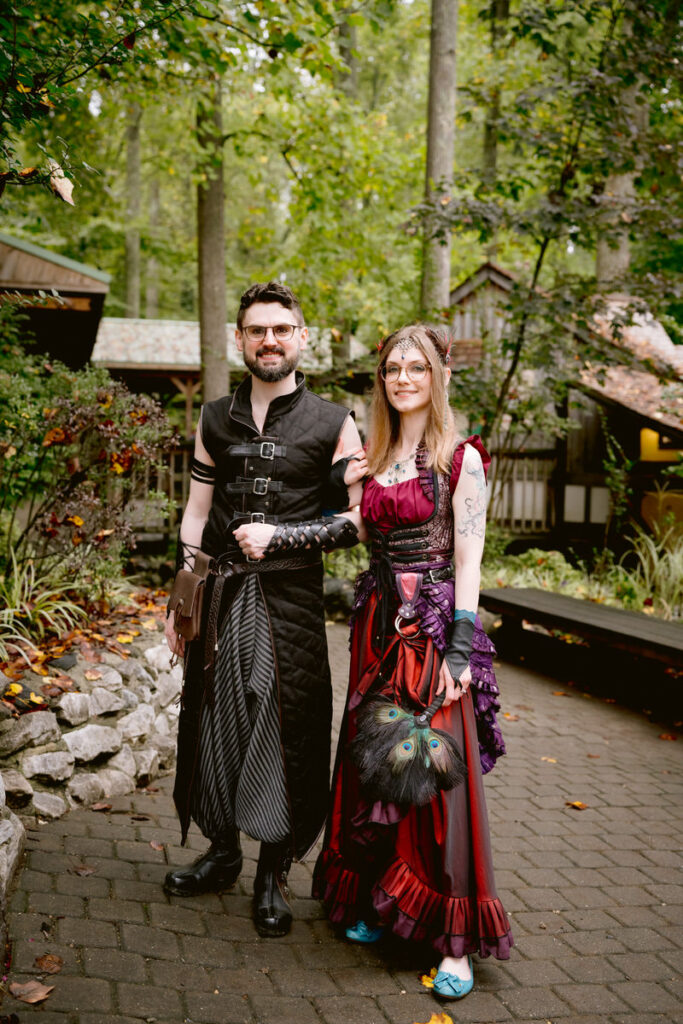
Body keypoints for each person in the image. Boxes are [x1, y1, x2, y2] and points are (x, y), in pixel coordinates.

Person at [312, 323, 513, 999]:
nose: (401, 378)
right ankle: (381, 900)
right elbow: (356, 534)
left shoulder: (461, 459)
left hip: (430, 633)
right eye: (392, 368)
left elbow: (468, 558)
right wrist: (342, 484)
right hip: (374, 628)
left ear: (438, 377)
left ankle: (453, 943)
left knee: (435, 775)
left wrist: (460, 646)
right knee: (375, 763)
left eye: (415, 368)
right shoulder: (374, 455)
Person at [164, 281, 366, 938]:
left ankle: (271, 872)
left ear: (302, 338)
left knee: (283, 729)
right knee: (215, 719)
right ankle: (221, 853)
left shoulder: (336, 422)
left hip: (290, 601)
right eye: (257, 330)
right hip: (220, 594)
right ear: (241, 339)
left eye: (282, 329)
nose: (270, 340)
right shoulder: (213, 417)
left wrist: (284, 536)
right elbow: (196, 513)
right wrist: (181, 599)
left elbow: (357, 521)